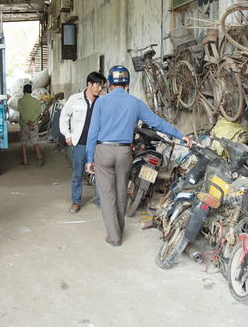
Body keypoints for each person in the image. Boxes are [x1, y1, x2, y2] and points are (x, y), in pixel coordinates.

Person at [86, 66, 192, 247]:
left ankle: (114, 236)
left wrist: (90, 159)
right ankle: (118, 229)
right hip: (125, 151)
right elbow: (157, 122)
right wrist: (179, 135)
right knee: (121, 192)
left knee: (107, 194)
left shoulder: (101, 102)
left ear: (109, 83)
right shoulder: (135, 102)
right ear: (127, 83)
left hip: (104, 151)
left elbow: (92, 131)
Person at [59, 72, 106, 213]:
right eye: (97, 85)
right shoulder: (75, 99)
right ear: (89, 84)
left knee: (99, 173)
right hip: (80, 143)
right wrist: (67, 134)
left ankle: (100, 200)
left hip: (97, 144)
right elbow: (64, 116)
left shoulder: (102, 101)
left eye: (102, 86)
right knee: (77, 174)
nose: (100, 89)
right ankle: (76, 201)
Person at [18, 84, 42, 166]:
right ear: (31, 91)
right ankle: (38, 155)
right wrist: (32, 121)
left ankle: (25, 160)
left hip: (24, 125)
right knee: (35, 141)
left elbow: (21, 113)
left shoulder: (20, 101)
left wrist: (27, 122)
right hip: (34, 125)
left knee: (23, 142)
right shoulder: (36, 101)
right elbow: (39, 112)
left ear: (23, 92)